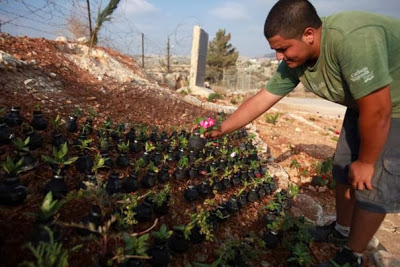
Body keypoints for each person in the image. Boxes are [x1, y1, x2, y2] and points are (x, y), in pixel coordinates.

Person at [209, 0, 400, 266]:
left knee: (372, 182)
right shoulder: (295, 62)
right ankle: (342, 231)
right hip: (365, 105)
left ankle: (351, 255)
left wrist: (367, 162)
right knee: (344, 169)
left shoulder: (353, 39)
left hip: (393, 107)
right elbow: (264, 97)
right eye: (275, 50)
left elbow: (379, 110)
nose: (278, 57)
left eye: (283, 48)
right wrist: (223, 127)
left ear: (309, 34)